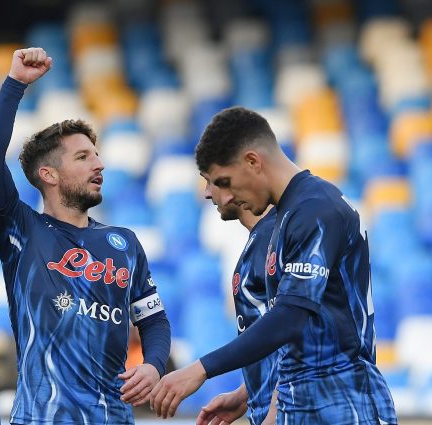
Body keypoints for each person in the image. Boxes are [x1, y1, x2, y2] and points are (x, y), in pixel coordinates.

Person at [150, 107, 397, 424]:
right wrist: (248, 392)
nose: (217, 195)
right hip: (304, 401)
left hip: (344, 403)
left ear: (253, 161)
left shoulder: (315, 209)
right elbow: (302, 335)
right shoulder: (289, 216)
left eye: (224, 181)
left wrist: (201, 369)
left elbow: (291, 316)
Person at [0, 47, 171, 425]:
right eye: (83, 157)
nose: (99, 164)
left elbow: (154, 320)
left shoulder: (125, 244)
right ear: (48, 174)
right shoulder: (21, 230)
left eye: (96, 155)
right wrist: (15, 84)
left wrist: (154, 366)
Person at [196, 173, 278, 425]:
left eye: (211, 180)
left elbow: (300, 336)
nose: (206, 193)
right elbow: (275, 344)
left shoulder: (281, 239)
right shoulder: (258, 241)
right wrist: (245, 394)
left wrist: (276, 414)